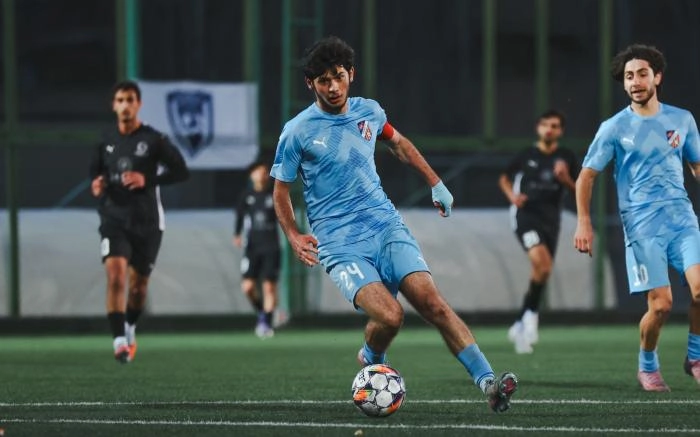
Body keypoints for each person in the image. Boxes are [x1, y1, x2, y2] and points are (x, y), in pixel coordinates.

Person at [270, 36, 518, 412]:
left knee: (433, 304)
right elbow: (280, 190)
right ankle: (371, 356)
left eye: (338, 76)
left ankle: (488, 383)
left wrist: (436, 182)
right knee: (390, 316)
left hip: (386, 226)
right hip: (340, 243)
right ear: (310, 84)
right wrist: (292, 234)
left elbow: (399, 144)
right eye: (323, 80)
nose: (333, 86)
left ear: (351, 74)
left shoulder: (369, 111)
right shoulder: (297, 131)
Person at [574, 44, 700, 391]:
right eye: (629, 76)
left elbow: (696, 165)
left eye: (642, 74)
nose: (635, 82)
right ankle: (647, 365)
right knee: (661, 306)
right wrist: (584, 222)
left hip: (682, 220)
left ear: (657, 77)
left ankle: (695, 357)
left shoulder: (682, 120)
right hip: (642, 228)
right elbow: (586, 177)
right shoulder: (614, 127)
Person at [90, 80, 190, 363]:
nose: (125, 105)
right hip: (113, 218)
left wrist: (147, 179)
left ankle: (130, 327)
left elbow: (181, 171)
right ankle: (119, 341)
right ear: (114, 105)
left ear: (139, 104)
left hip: (147, 222)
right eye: (120, 100)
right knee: (116, 276)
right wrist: (97, 185)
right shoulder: (105, 140)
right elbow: (95, 176)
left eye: (130, 100)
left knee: (138, 288)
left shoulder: (154, 139)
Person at [499, 110, 579, 354]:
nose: (549, 129)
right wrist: (513, 197)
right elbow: (504, 178)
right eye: (545, 125)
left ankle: (520, 321)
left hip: (551, 221)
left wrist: (565, 179)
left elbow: (579, 190)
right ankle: (531, 318)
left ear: (561, 131)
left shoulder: (566, 157)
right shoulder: (527, 154)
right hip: (526, 216)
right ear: (538, 128)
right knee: (542, 264)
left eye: (554, 126)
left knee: (542, 271)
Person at [233, 161, 281, 339]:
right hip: (252, 246)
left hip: (271, 245)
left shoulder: (273, 195)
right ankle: (263, 313)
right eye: (258, 171)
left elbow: (284, 216)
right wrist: (237, 233)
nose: (261, 174)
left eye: (264, 171)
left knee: (269, 287)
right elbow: (240, 215)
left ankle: (266, 323)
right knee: (248, 287)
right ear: (251, 175)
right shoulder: (246, 196)